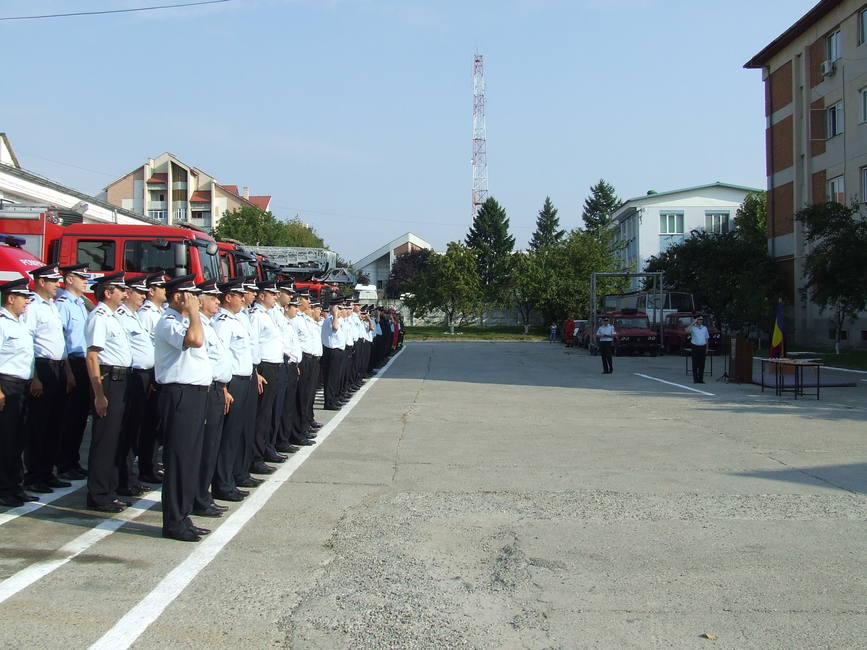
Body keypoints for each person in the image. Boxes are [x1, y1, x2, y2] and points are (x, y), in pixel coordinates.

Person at [154, 275, 210, 542]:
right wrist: (194, 314)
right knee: (177, 461)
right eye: (191, 295)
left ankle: (183, 516)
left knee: (190, 459)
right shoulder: (168, 322)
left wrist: (192, 314)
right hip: (179, 393)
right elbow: (196, 341)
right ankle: (173, 522)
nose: (196, 300)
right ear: (178, 297)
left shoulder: (184, 321)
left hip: (195, 394)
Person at [21, 264, 73, 494]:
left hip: (59, 367)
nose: (57, 285)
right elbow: (27, 343)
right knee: (38, 426)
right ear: (41, 282)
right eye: (53, 281)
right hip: (42, 367)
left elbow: (61, 342)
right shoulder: (33, 307)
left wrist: (68, 371)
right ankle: (33, 475)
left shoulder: (51, 306)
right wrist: (35, 376)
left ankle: (46, 471)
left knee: (55, 423)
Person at [84, 272, 133, 513]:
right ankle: (98, 494)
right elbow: (92, 356)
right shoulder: (99, 317)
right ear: (107, 292)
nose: (126, 294)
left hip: (121, 380)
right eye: (121, 290)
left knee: (116, 438)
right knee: (104, 440)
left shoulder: (113, 317)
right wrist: (99, 394)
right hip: (108, 380)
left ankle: (110, 490)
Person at [210, 278, 253, 503]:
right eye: (239, 295)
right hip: (232, 382)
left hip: (244, 379)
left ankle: (232, 478)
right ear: (228, 297)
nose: (243, 298)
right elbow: (221, 356)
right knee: (227, 436)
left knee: (237, 432)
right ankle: (222, 484)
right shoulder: (223, 322)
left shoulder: (236, 321)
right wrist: (224, 388)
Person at [193, 279, 232, 518]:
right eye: (213, 298)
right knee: (204, 447)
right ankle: (198, 497)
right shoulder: (202, 326)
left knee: (212, 446)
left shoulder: (209, 325)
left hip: (217, 388)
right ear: (200, 301)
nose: (217, 301)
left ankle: (203, 496)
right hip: (206, 389)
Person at [115, 275, 154, 498]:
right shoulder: (122, 316)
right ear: (127, 294)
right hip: (132, 375)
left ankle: (130, 477)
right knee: (126, 429)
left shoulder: (134, 316)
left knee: (135, 430)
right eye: (139, 292)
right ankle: (124, 479)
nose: (143, 296)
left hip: (142, 376)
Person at [0, 277, 37, 507]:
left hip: (22, 385)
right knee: (5, 440)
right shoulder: (2, 323)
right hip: (6, 384)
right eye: (23, 297)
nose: (26, 302)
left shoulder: (20, 322)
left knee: (19, 440)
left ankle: (16, 485)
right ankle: (4, 489)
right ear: (11, 298)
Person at [55, 264, 92, 481]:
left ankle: (73, 460)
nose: (85, 280)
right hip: (72, 362)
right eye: (81, 277)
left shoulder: (80, 304)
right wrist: (68, 371)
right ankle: (63, 462)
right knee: (68, 417)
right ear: (69, 279)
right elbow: (61, 340)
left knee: (79, 418)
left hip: (84, 363)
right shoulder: (63, 305)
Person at [689, 315, 710, 384]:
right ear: (696, 320)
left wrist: (707, 348)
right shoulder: (693, 327)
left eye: (701, 319)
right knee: (695, 363)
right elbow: (686, 330)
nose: (701, 321)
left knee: (702, 364)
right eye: (699, 319)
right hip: (695, 347)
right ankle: (695, 379)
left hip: (702, 347)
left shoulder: (704, 328)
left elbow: (706, 338)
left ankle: (701, 379)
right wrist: (692, 323)